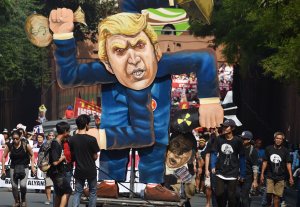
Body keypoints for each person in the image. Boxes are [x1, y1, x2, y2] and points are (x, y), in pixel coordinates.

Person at [49, 8, 223, 201]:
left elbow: (205, 58)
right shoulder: (108, 72)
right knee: (116, 148)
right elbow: (68, 76)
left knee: (154, 143)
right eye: (119, 51)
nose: (133, 59)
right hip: (118, 120)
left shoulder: (161, 65)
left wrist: (210, 100)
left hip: (152, 123)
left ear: (155, 50)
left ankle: (152, 184)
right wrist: (62, 36)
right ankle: (109, 182)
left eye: (139, 45)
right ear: (107, 63)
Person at [210, 119, 246, 207]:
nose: (224, 128)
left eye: (227, 126)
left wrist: (242, 174)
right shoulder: (219, 139)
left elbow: (242, 157)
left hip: (233, 171)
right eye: (224, 126)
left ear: (232, 128)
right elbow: (214, 153)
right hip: (220, 171)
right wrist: (213, 165)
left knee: (231, 197)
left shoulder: (238, 141)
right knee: (219, 194)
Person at [69, 114, 100, 207]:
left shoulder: (72, 139)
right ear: (86, 124)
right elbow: (95, 156)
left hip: (79, 169)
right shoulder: (92, 139)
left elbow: (72, 154)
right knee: (93, 192)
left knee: (77, 192)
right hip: (91, 169)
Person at [1, 130, 36, 207]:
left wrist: (33, 167)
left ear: (20, 137)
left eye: (17, 138)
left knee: (23, 185)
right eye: (13, 139)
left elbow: (32, 155)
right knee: (14, 186)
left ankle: (23, 200)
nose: (15, 140)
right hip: (13, 167)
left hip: (24, 167)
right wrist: (3, 169)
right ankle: (17, 201)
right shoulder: (10, 145)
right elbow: (3, 157)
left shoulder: (25, 144)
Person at [260, 132, 294, 207]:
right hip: (270, 175)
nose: (278, 140)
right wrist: (262, 174)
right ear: (274, 139)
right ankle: (268, 204)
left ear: (282, 140)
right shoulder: (268, 148)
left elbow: (288, 164)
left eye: (280, 139)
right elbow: (265, 162)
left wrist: (291, 176)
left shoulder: (285, 151)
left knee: (276, 196)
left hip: (281, 176)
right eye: (277, 138)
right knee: (268, 193)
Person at [48, 122, 72, 207]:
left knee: (59, 193)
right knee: (68, 191)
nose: (69, 133)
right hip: (56, 173)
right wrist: (62, 158)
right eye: (68, 131)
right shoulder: (56, 143)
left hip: (58, 172)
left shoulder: (59, 142)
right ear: (65, 131)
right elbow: (54, 162)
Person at [236, 131, 259, 207]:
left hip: (248, 177)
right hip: (237, 175)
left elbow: (255, 166)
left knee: (244, 196)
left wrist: (255, 181)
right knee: (236, 195)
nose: (242, 140)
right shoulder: (238, 148)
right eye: (241, 138)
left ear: (249, 140)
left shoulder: (253, 151)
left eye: (244, 139)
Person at [43, 132, 55, 205]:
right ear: (47, 137)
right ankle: (49, 199)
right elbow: (41, 155)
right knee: (48, 184)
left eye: (52, 135)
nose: (51, 137)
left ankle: (57, 198)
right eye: (49, 135)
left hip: (57, 166)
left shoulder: (58, 144)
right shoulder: (44, 145)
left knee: (58, 184)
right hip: (47, 166)